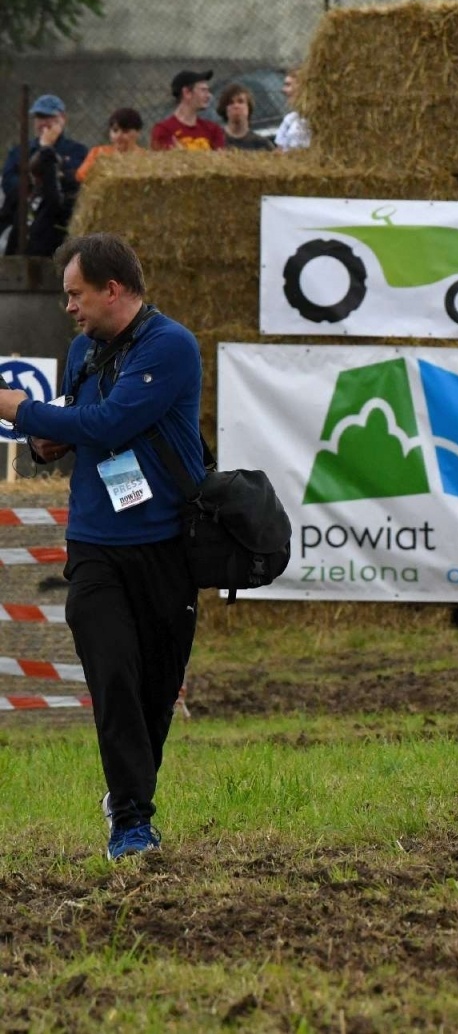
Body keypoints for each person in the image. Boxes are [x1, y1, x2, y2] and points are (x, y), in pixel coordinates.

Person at [0, 234, 204, 861]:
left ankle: (126, 796)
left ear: (112, 290)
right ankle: (132, 824)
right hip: (94, 542)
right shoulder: (80, 351)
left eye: (75, 294)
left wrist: (20, 410)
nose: (68, 307)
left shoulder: (171, 346)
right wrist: (44, 441)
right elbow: (77, 422)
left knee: (155, 693)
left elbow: (112, 422)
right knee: (113, 677)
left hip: (166, 544)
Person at [2, 94, 88, 206]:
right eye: (39, 117)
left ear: (63, 119)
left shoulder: (77, 151)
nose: (43, 123)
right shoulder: (20, 152)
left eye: (48, 117)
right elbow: (8, 184)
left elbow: (76, 182)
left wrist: (46, 151)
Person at [1, 121, 73, 256]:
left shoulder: (59, 199)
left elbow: (54, 199)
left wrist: (47, 156)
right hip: (16, 255)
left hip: (44, 257)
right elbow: (4, 218)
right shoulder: (21, 192)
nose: (37, 181)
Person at [151, 70, 226, 152]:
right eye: (203, 90)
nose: (209, 95)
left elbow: (220, 157)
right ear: (187, 93)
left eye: (208, 91)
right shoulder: (164, 130)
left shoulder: (213, 130)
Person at [76, 109, 145, 183]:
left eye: (125, 131)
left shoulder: (145, 158)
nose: (118, 136)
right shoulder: (99, 152)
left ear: (138, 133)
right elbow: (80, 176)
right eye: (115, 130)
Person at [217, 83, 274, 152]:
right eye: (231, 103)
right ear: (225, 109)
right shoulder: (215, 140)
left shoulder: (262, 145)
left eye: (240, 101)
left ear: (248, 107)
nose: (236, 106)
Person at [276, 67, 311, 152]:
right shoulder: (289, 119)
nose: (283, 90)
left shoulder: (320, 120)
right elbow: (279, 151)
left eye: (288, 85)